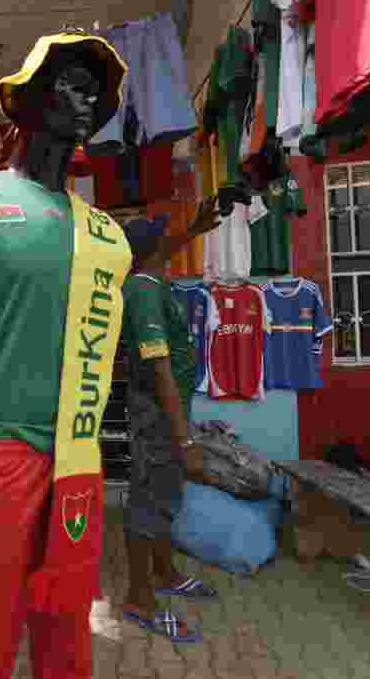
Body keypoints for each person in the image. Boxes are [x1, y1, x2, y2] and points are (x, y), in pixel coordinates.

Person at [0, 32, 131, 678]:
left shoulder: (102, 231)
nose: (84, 97)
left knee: (65, 626)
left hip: (74, 449)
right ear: (30, 101)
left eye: (92, 91)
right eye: (69, 82)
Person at [118, 199, 225, 643]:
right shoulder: (143, 291)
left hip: (168, 408)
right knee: (149, 499)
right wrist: (186, 441)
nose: (171, 236)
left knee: (165, 493)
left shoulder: (152, 276)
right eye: (166, 234)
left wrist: (195, 229)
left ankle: (164, 572)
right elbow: (159, 367)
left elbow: (161, 248)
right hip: (157, 411)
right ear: (153, 249)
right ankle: (140, 599)